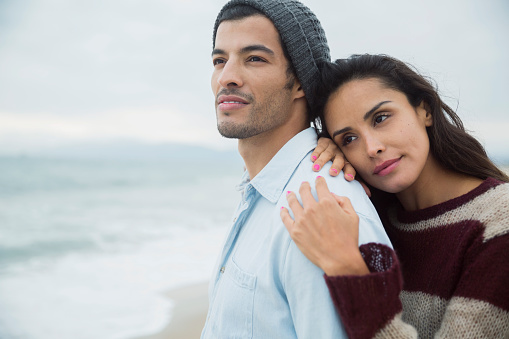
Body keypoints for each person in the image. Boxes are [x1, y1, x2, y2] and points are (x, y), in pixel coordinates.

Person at [281, 54, 509, 338]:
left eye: (381, 118)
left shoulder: (500, 222)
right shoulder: (372, 218)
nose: (371, 147)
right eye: (348, 139)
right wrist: (321, 160)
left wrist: (347, 269)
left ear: (424, 109)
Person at [201, 2, 392, 338]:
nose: (227, 76)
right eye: (220, 60)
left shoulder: (322, 209)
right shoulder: (260, 191)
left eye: (255, 58)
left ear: (301, 82)